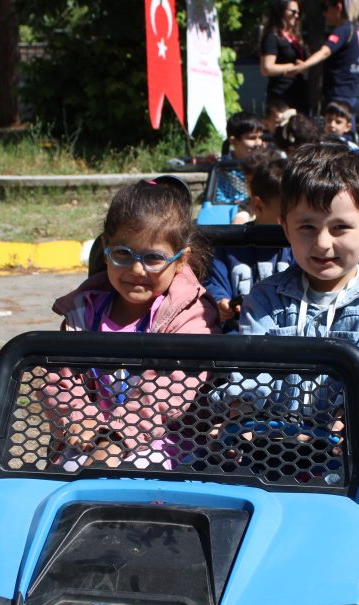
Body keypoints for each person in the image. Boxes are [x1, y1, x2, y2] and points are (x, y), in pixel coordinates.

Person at [239, 143, 359, 516]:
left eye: (340, 228)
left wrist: (350, 409)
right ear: (285, 228)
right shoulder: (265, 298)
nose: (322, 243)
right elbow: (248, 366)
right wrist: (238, 404)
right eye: (307, 227)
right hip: (276, 448)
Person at [43, 177, 219, 470]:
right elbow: (59, 378)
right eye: (123, 254)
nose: (137, 269)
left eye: (153, 258)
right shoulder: (83, 311)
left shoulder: (190, 315)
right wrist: (80, 419)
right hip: (90, 438)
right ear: (106, 248)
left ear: (180, 260)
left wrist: (115, 440)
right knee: (62, 482)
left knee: (133, 477)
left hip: (168, 443)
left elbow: (166, 393)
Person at [205, 153, 294, 329]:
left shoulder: (299, 246)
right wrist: (220, 301)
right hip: (237, 333)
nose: (296, 220)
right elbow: (213, 282)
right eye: (287, 212)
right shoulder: (229, 245)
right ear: (258, 205)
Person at [288, 0, 359, 129]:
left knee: (335, 132)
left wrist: (303, 66)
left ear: (338, 7)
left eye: (326, 7)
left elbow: (325, 52)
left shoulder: (343, 30)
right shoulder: (357, 31)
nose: (324, 13)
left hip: (338, 92)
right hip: (351, 92)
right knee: (347, 131)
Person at [259, 0, 310, 115]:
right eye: (293, 11)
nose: (296, 15)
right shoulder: (272, 37)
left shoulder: (295, 37)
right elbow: (266, 68)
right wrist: (291, 67)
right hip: (281, 96)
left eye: (298, 12)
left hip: (299, 93)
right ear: (281, 11)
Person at [216, 112, 266, 205]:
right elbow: (217, 201)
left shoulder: (267, 167)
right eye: (252, 138)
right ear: (233, 141)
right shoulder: (221, 169)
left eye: (260, 137)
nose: (258, 143)